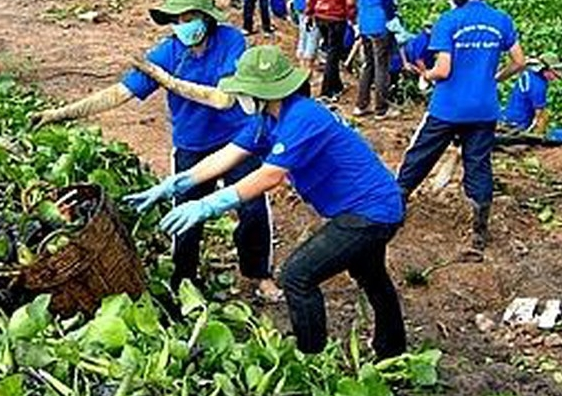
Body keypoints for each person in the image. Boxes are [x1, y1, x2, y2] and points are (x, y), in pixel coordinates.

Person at [127, 45, 407, 359]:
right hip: (363, 208)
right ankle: (392, 347)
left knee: (297, 276)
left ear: (263, 90)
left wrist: (208, 205)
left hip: (370, 213)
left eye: (243, 90)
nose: (239, 97)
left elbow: (268, 177)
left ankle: (310, 356)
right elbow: (228, 155)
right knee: (371, 274)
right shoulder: (267, 119)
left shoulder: (302, 117)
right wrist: (179, 182)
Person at [30, 0, 279, 299]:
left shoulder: (230, 41)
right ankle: (184, 281)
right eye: (175, 20)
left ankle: (259, 275)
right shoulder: (166, 52)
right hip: (192, 144)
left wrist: (167, 81)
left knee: (253, 207)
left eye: (188, 18)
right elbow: (118, 94)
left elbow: (223, 100)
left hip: (238, 139)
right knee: (185, 215)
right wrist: (60, 113)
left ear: (205, 17)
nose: (181, 26)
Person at [397, 0, 526, 259]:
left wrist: (426, 74)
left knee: (420, 154)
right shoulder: (500, 20)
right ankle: (479, 230)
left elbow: (443, 69)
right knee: (478, 164)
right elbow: (520, 61)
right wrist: (494, 78)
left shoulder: (449, 21)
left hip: (449, 106)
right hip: (484, 107)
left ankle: (396, 206)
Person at [355, 0, 403, 119]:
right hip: (379, 23)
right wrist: (392, 18)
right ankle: (381, 109)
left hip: (365, 21)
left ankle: (361, 105)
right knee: (381, 66)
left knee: (368, 64)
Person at [305, 0, 355, 101]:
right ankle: (327, 91)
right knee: (334, 54)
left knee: (330, 50)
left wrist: (309, 13)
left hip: (320, 15)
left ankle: (337, 85)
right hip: (336, 17)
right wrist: (352, 18)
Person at [500, 54, 562, 135]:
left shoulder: (529, 74)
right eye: (554, 72)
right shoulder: (538, 86)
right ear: (545, 70)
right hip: (519, 123)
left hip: (508, 116)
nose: (555, 77)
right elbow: (540, 117)